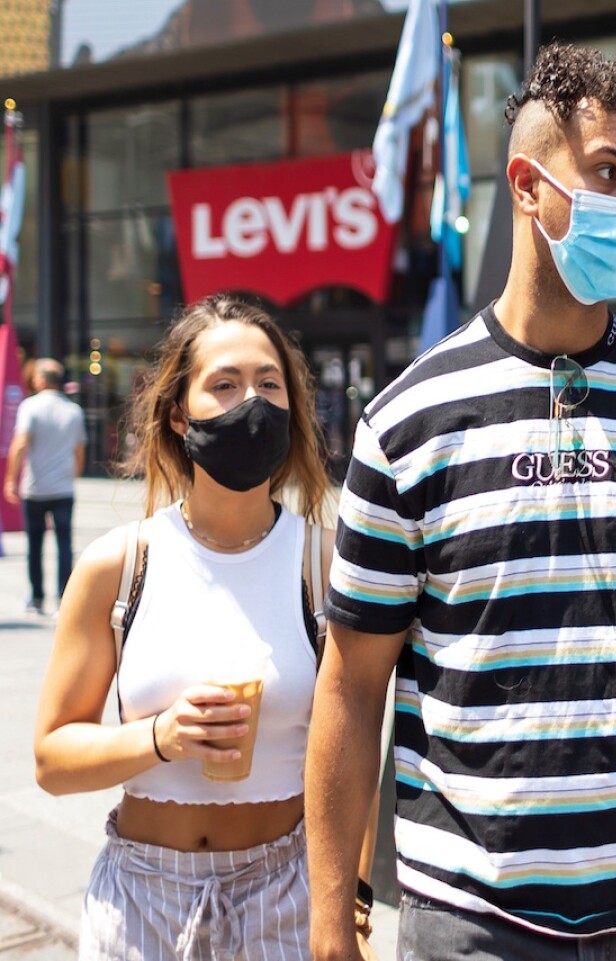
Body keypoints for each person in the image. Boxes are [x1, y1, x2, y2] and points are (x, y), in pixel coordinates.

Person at [306, 43, 616, 961]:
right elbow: (353, 689)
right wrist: (329, 922)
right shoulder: (406, 422)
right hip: (467, 923)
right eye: (607, 173)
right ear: (526, 184)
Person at [31, 295, 375, 960]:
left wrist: (353, 910)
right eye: (225, 384)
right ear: (178, 413)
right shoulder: (120, 565)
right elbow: (51, 760)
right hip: (141, 903)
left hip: (287, 895)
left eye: (269, 383)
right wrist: (161, 736)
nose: (253, 401)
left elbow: (359, 740)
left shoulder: (326, 562)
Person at [5, 358, 86, 615]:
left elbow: (20, 444)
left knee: (35, 544)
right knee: (64, 544)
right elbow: (79, 450)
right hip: (63, 488)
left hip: (35, 487)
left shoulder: (30, 406)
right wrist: (73, 474)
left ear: (40, 380)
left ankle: (37, 597)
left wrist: (10, 478)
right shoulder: (74, 410)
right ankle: (64, 597)